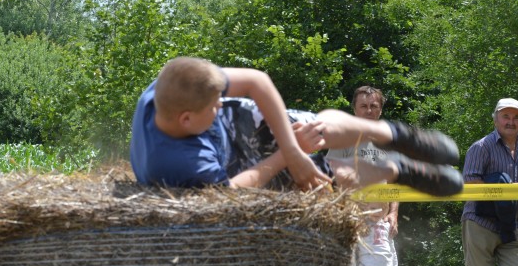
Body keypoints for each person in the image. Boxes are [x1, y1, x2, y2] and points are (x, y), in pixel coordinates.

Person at [129, 57, 463, 196]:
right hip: (229, 167)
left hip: (236, 128)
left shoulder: (175, 84)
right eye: (214, 106)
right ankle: (397, 169)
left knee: (313, 128)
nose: (220, 104)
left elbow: (256, 81)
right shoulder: (183, 164)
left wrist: (291, 146)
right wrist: (291, 158)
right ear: (186, 120)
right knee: (325, 180)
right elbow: (230, 193)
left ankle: (395, 135)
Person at [326, 86, 400, 266]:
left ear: (380, 110)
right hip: (351, 220)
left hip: (380, 222)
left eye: (374, 106)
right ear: (354, 109)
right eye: (364, 106)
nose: (369, 110)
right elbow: (331, 177)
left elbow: (394, 183)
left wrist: (393, 212)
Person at [457, 98, 518, 266]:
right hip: (480, 221)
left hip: (513, 224)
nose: (511, 122)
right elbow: (470, 182)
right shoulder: (481, 147)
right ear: (496, 119)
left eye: (516, 117)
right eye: (506, 116)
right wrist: (506, 189)